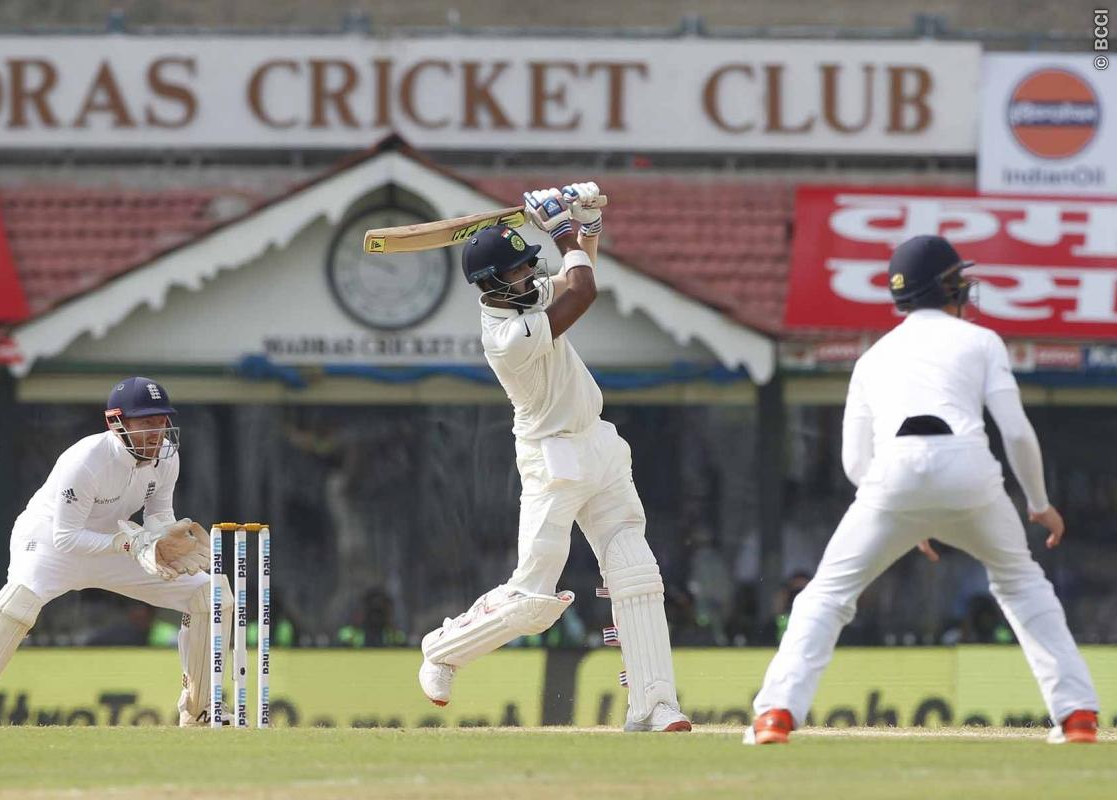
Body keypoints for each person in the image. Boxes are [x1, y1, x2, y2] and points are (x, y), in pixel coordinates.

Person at [745, 235, 1099, 745]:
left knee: (825, 595)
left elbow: (853, 462)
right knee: (1022, 583)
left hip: (892, 473)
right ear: (950, 287)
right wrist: (1039, 504)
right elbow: (1017, 433)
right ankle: (1077, 715)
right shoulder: (981, 342)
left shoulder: (872, 358)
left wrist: (901, 515)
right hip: (970, 469)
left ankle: (776, 714)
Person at [417, 183, 690, 733]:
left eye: (528, 267)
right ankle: (443, 649)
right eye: (518, 272)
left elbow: (575, 272)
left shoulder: (525, 296)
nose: (531, 277)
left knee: (636, 572)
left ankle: (653, 706)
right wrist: (559, 227)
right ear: (493, 284)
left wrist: (584, 226)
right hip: (552, 458)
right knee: (532, 598)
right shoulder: (506, 336)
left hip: (600, 445)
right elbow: (582, 293)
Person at [0, 377, 226, 727]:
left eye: (161, 420)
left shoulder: (165, 458)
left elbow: (158, 515)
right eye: (146, 422)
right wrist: (129, 543)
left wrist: (161, 541)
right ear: (116, 423)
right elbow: (66, 538)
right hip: (50, 542)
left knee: (210, 594)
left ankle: (199, 711)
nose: (157, 431)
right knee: (18, 602)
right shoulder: (86, 460)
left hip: (117, 542)